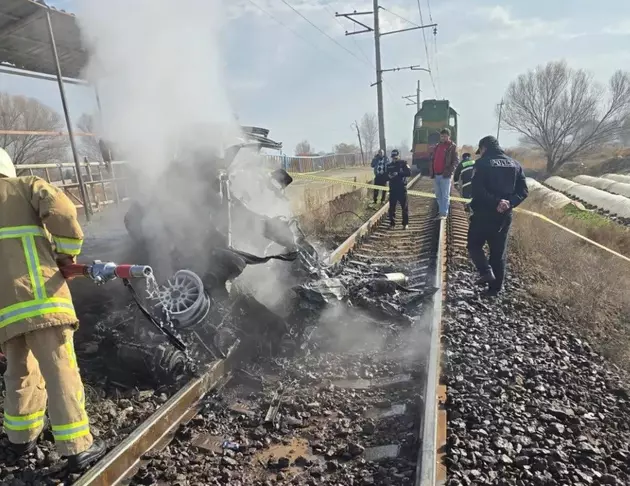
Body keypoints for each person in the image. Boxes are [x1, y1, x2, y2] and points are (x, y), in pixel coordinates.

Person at [0, 147, 106, 470]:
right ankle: (77, 447)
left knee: (18, 373)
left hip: (6, 314)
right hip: (43, 300)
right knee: (61, 370)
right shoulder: (24, 187)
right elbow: (61, 208)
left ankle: (21, 440)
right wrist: (66, 253)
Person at [467, 136, 528, 297]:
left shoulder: (481, 164)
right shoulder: (515, 164)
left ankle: (486, 271)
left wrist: (496, 202)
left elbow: (477, 191)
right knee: (498, 252)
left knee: (474, 245)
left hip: (483, 213)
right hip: (504, 216)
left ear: (484, 148)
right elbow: (523, 191)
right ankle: (495, 290)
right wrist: (509, 202)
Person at [430, 128, 459, 219]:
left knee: (445, 195)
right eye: (442, 136)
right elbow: (433, 159)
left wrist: (450, 171)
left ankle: (444, 213)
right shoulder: (437, 146)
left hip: (445, 175)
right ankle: (441, 211)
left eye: (445, 136)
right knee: (438, 194)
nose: (443, 138)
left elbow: (456, 161)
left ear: (449, 136)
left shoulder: (452, 146)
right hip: (436, 174)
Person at [386, 149, 411, 230]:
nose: (394, 159)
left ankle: (405, 224)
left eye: (396, 158)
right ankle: (392, 224)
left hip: (401, 188)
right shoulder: (389, 165)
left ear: (399, 156)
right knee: (391, 208)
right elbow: (385, 176)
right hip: (393, 189)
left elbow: (409, 173)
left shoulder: (403, 163)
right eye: (393, 158)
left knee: (404, 208)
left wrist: (399, 174)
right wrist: (388, 177)